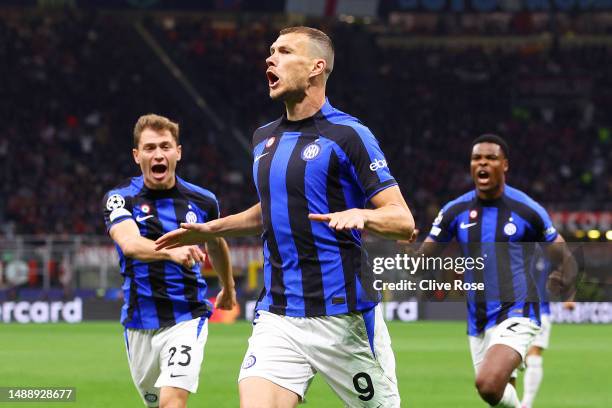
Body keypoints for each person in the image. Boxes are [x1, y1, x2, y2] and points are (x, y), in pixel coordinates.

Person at [155, 27, 414, 407]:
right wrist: (211, 229)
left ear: (316, 67)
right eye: (271, 51)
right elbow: (270, 212)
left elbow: (402, 219)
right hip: (278, 314)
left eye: (284, 51)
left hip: (342, 318)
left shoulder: (349, 135)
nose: (270, 58)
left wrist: (361, 214)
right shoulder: (264, 139)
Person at [419, 134, 575, 408]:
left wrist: (566, 279)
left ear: (504, 165)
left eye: (490, 158)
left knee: (488, 385)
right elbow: (423, 260)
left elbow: (564, 257)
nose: (483, 163)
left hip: (518, 310)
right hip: (478, 319)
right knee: (499, 395)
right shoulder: (455, 211)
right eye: (476, 158)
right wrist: (408, 252)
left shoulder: (526, 209)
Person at [102, 114, 236, 408]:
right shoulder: (120, 199)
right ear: (137, 156)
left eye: (165, 146)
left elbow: (216, 242)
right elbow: (130, 244)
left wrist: (228, 287)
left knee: (171, 403)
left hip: (186, 317)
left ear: (178, 152)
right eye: (149, 148)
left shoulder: (203, 201)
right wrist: (171, 252)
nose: (158, 154)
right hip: (139, 322)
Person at [520, 252, 576, 408]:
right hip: (513, 312)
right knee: (522, 357)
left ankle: (526, 403)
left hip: (538, 312)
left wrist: (569, 296)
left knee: (533, 355)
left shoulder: (545, 251)